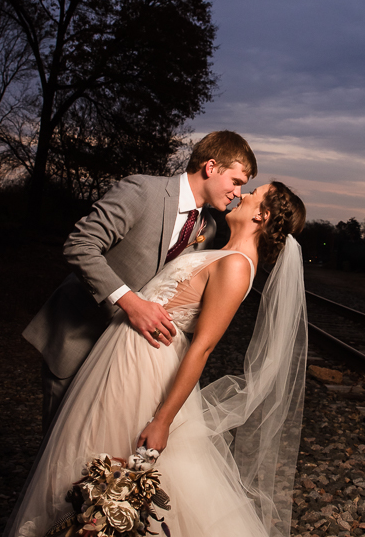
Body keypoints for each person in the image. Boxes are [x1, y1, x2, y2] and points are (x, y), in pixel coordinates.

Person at [0, 181, 365, 537]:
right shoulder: (218, 248)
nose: (244, 193)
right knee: (90, 470)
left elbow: (202, 349)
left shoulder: (237, 266)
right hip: (122, 362)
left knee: (140, 485)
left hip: (149, 376)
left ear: (263, 217)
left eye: (254, 192)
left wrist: (163, 419)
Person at [23, 131, 257, 430]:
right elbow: (80, 245)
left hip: (127, 359)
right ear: (211, 167)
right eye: (236, 182)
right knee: (60, 447)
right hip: (81, 334)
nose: (238, 193)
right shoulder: (142, 189)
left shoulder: (207, 227)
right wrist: (130, 302)